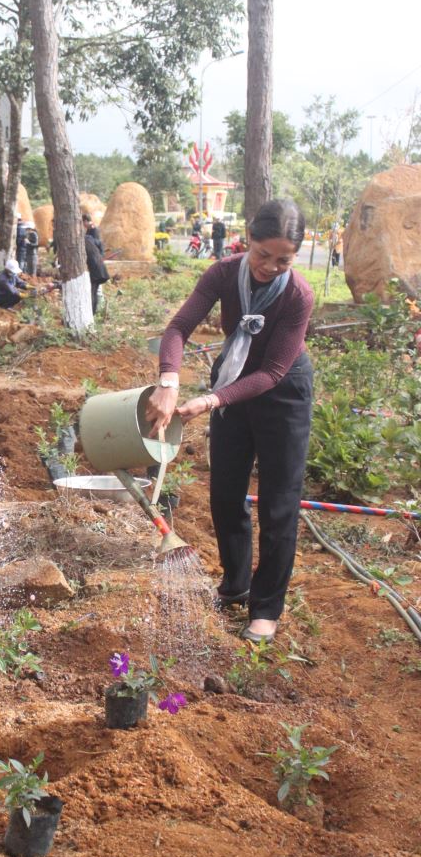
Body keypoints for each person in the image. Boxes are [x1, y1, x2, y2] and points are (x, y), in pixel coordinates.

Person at [146, 199, 313, 646]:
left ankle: (266, 608)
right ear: (247, 242)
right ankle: (235, 583)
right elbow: (178, 328)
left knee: (279, 504)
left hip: (283, 393)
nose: (270, 267)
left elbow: (272, 373)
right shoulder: (222, 274)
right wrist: (169, 382)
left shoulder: (297, 295)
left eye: (284, 260)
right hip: (233, 383)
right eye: (262, 254)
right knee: (225, 492)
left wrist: (211, 400)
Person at [85, 230, 110, 314]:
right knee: (94, 292)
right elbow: (99, 243)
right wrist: (101, 254)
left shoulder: (82, 242)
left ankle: (91, 313)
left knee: (92, 292)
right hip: (100, 268)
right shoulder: (88, 239)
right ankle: (93, 312)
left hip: (96, 270)